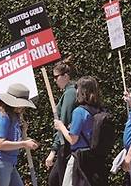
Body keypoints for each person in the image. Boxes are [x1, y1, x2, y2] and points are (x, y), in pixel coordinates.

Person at [54, 76, 108, 186]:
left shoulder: (79, 111)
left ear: (81, 91)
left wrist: (61, 127)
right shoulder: (100, 110)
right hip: (95, 157)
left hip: (80, 158)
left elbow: (73, 139)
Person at [0, 83, 39, 186]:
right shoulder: (3, 118)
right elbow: (0, 144)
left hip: (8, 164)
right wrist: (24, 144)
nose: (23, 107)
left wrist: (24, 135)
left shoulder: (14, 117)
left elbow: (13, 139)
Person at [47, 58, 77, 186]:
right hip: (67, 143)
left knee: (57, 181)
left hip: (66, 145)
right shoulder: (70, 91)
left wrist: (53, 151)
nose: (54, 80)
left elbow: (62, 123)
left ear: (65, 76)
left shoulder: (70, 93)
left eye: (56, 77)